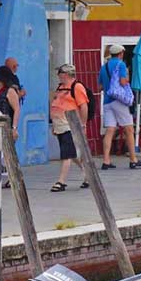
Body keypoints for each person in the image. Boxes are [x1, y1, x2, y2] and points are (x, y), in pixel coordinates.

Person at [98, 44, 141, 170]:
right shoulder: (121, 65)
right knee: (129, 129)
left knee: (109, 131)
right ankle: (133, 159)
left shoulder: (104, 67)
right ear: (121, 53)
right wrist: (128, 80)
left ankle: (106, 161)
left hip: (107, 102)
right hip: (119, 101)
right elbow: (123, 81)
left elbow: (100, 87)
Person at [49, 64, 89, 192]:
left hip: (70, 125)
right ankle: (88, 174)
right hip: (59, 124)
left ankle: (61, 181)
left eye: (59, 73)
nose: (58, 75)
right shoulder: (61, 87)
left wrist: (83, 124)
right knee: (70, 153)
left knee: (66, 154)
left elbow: (83, 106)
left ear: (65, 74)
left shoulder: (77, 87)